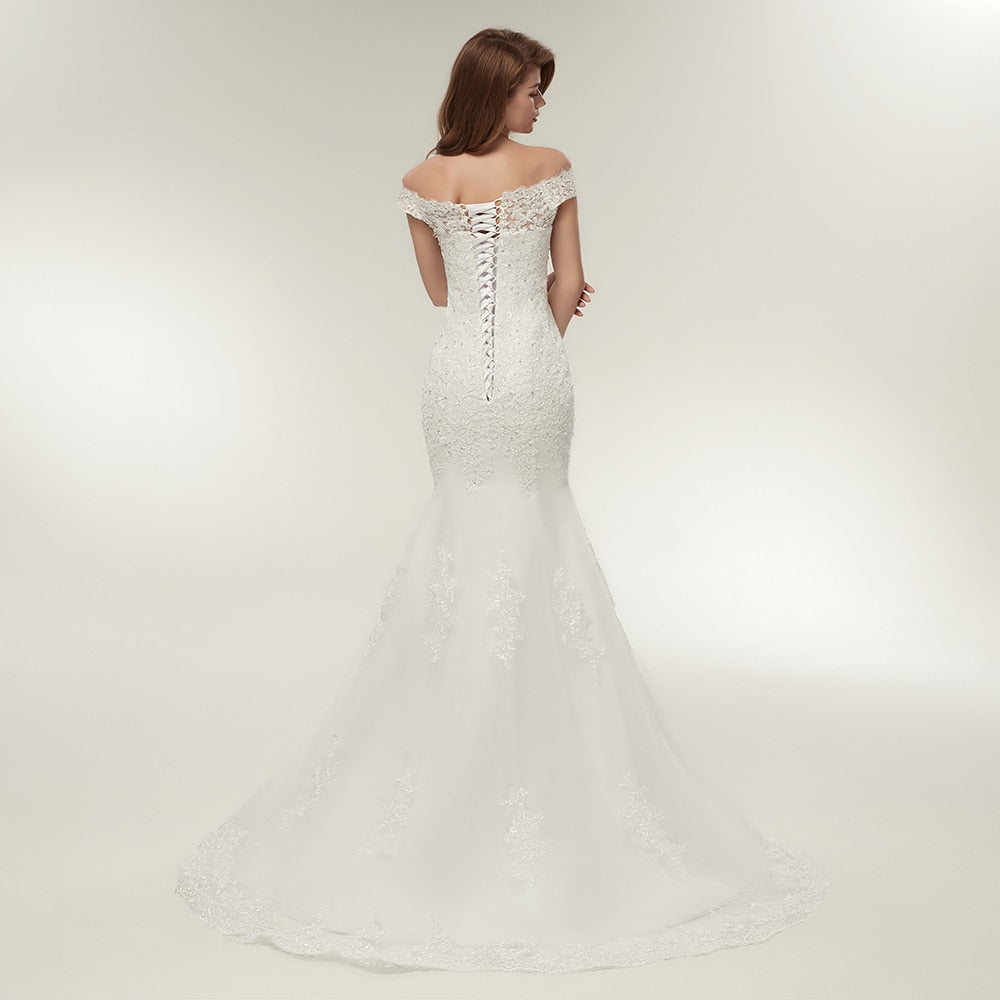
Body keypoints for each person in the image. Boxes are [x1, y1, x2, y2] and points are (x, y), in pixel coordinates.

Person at [174, 27, 827, 973]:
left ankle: (443, 774)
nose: (540, 104)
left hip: (452, 387)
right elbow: (568, 284)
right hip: (531, 376)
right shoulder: (551, 169)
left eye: (540, 92)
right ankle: (547, 778)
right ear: (493, 90)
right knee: (536, 544)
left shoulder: (421, 181)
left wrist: (507, 301)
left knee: (461, 548)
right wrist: (549, 312)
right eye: (529, 89)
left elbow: (441, 295)